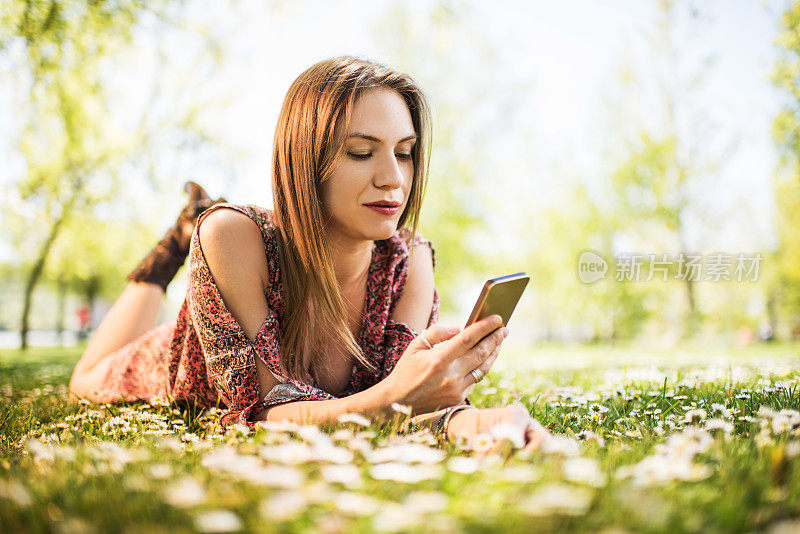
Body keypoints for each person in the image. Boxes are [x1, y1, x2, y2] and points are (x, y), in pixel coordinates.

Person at [68, 56, 548, 451]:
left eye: (404, 152)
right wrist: (393, 398)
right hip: (171, 360)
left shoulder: (410, 260)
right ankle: (177, 238)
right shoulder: (231, 235)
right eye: (362, 152)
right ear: (306, 160)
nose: (394, 180)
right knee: (85, 381)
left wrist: (491, 424)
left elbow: (411, 409)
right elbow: (262, 417)